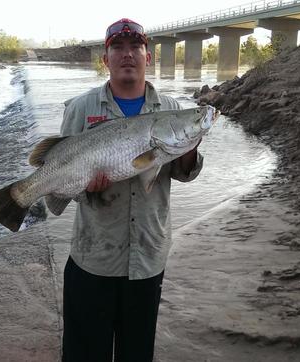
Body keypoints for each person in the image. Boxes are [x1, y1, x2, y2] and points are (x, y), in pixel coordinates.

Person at [59, 18, 204, 362]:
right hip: (93, 258)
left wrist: (189, 148)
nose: (127, 55)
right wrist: (86, 188)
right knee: (84, 354)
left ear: (148, 56)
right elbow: (62, 173)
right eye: (117, 48)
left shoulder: (171, 110)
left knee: (136, 353)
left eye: (135, 47)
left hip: (148, 257)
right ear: (105, 59)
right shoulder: (81, 108)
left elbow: (185, 174)